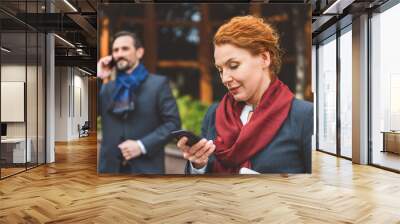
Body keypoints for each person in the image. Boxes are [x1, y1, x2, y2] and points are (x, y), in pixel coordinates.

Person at [177, 15, 313, 174]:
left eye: (233, 66)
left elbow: (318, 188)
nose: (225, 79)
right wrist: (199, 165)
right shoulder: (214, 114)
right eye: (220, 70)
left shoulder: (304, 116)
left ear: (264, 58)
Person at [98, 31, 181, 174]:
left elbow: (173, 124)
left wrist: (141, 145)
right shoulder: (106, 88)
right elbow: (88, 115)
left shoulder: (158, 84)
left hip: (146, 170)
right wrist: (99, 78)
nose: (119, 54)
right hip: (109, 170)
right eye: (115, 50)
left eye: (125, 48)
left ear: (139, 52)